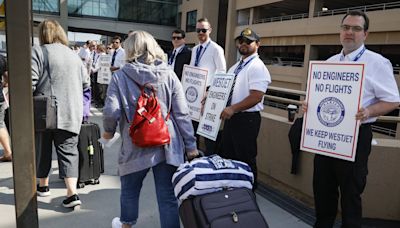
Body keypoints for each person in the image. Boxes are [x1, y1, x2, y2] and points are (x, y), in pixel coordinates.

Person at [302, 11, 400, 228]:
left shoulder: (377, 62)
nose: (350, 32)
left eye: (356, 29)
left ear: (365, 34)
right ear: (340, 31)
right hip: (327, 136)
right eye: (346, 27)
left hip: (356, 137)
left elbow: (393, 101)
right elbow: (322, 97)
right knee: (323, 190)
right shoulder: (330, 61)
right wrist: (310, 106)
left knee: (351, 194)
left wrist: (369, 111)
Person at [102, 30, 198, 228]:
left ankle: (126, 224)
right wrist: (191, 146)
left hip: (135, 143)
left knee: (129, 190)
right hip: (166, 143)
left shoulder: (120, 76)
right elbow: (182, 114)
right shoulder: (169, 74)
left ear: (129, 49)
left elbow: (111, 111)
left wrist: (108, 132)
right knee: (167, 197)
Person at [31, 19, 90, 208]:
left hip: (44, 112)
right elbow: (86, 84)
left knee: (42, 149)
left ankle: (43, 185)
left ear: (43, 34)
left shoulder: (38, 51)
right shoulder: (74, 56)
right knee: (68, 152)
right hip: (71, 111)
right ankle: (72, 194)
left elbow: (30, 82)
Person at [219, 28, 271, 191]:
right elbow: (227, 90)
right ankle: (233, 191)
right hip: (232, 118)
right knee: (228, 156)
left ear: (258, 45)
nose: (244, 44)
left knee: (245, 159)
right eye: (241, 41)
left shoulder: (257, 67)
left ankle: (249, 193)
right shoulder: (235, 67)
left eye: (249, 41)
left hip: (246, 119)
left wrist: (233, 108)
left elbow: (256, 96)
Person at [189, 18, 226, 155]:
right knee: (193, 132)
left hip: (208, 96)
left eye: (203, 30)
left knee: (208, 133)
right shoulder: (195, 49)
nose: (200, 33)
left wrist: (209, 91)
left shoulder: (216, 49)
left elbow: (222, 72)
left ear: (210, 30)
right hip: (194, 96)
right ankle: (194, 163)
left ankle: (210, 164)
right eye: (198, 30)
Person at [0, 55, 12, 162]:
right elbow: (7, 76)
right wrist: (5, 83)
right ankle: (8, 152)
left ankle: (8, 152)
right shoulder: (1, 58)